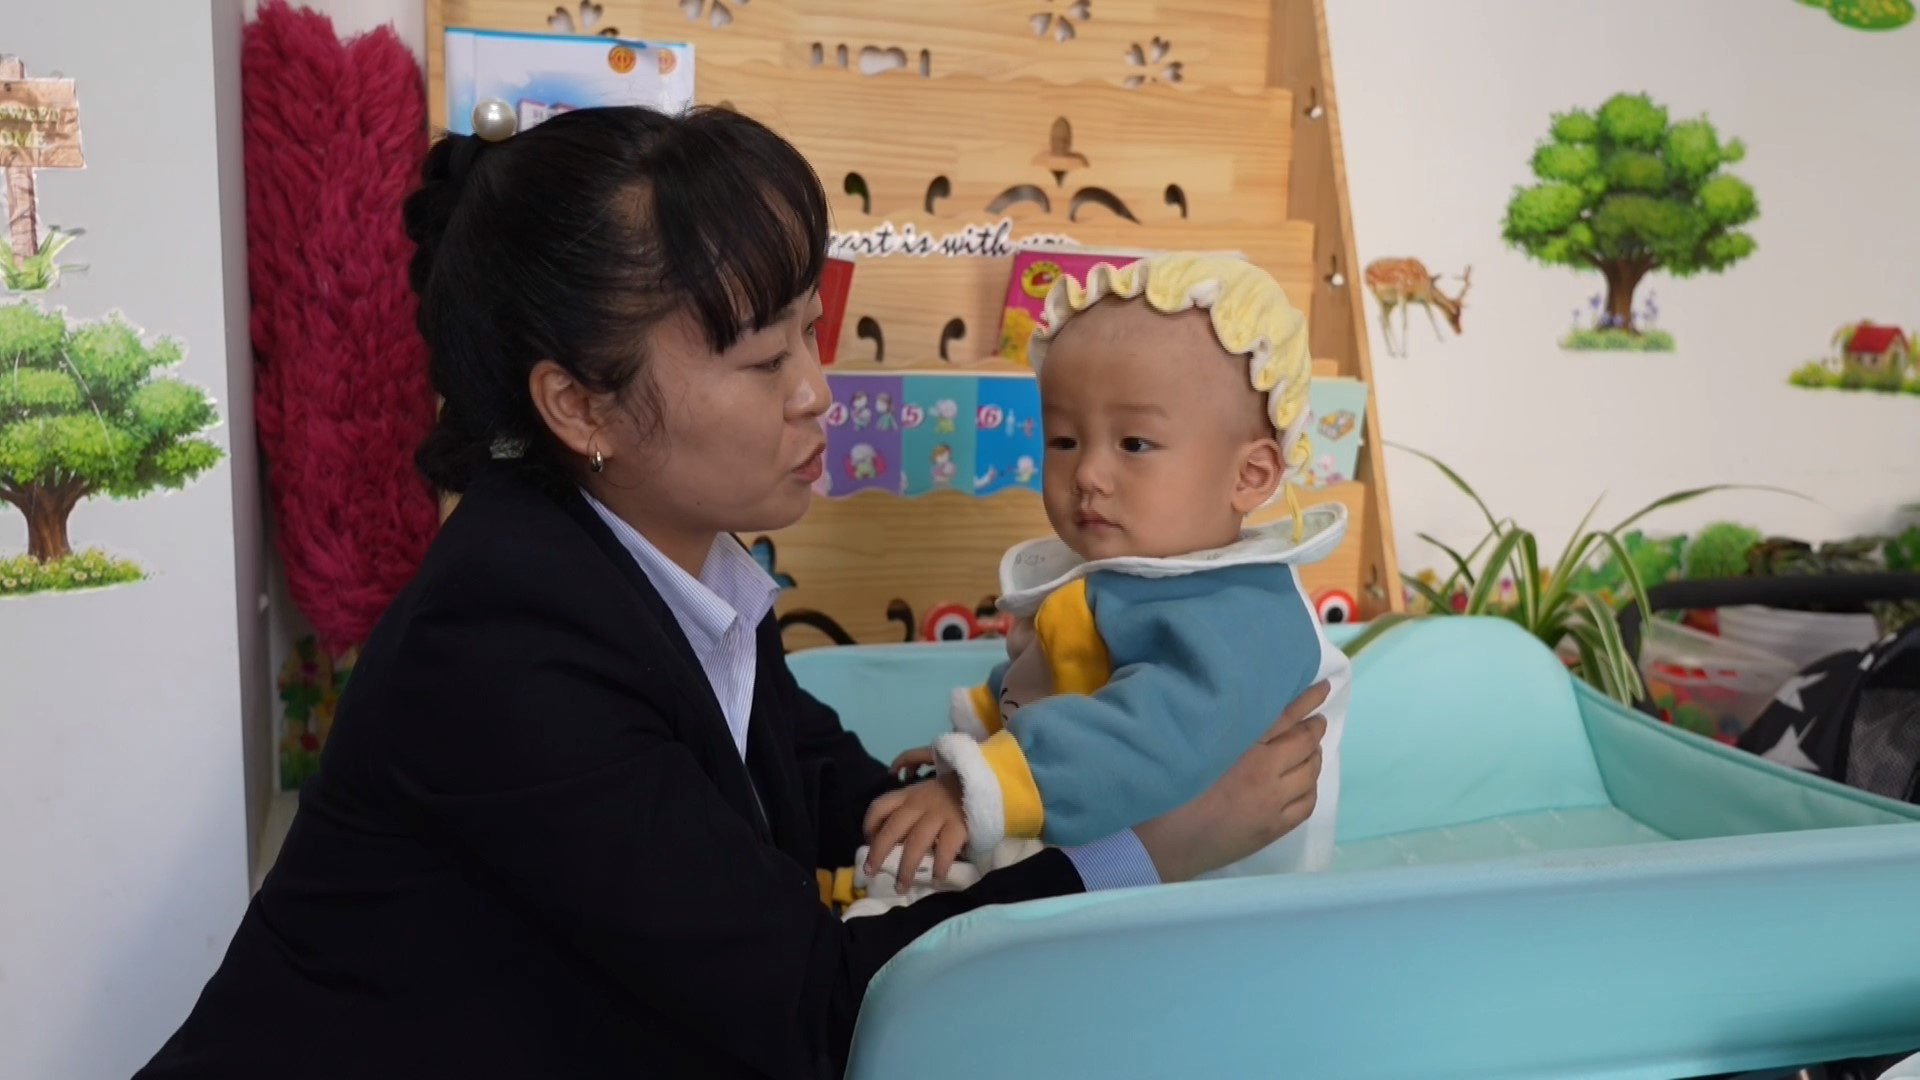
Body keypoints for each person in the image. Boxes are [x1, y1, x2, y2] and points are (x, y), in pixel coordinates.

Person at [134, 107, 1332, 1080]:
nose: (817, 393)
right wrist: (1153, 846)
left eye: (813, 332)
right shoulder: (504, 643)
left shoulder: (674, 567)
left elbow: (836, 802)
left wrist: (1003, 780)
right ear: (580, 406)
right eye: (765, 360)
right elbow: (812, 1013)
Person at [859, 253, 1350, 908]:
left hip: (1213, 911)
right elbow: (1062, 675)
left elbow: (1148, 734)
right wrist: (981, 740)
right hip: (1115, 877)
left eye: (1135, 444)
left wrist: (982, 783)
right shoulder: (1130, 575)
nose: (1087, 474)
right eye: (1064, 441)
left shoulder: (1246, 610)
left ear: (1250, 476)